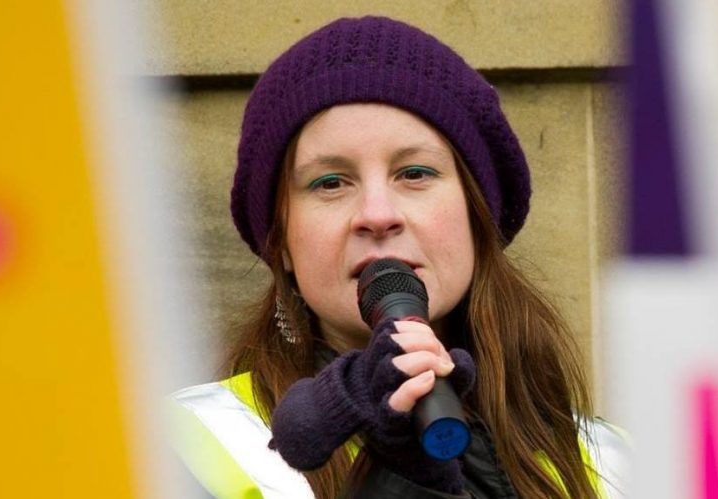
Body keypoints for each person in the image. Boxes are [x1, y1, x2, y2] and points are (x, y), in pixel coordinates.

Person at [169, 16, 628, 499]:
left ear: (476, 216)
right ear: (280, 241)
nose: (377, 214)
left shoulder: (619, 465)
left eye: (414, 173)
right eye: (330, 182)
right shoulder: (179, 449)